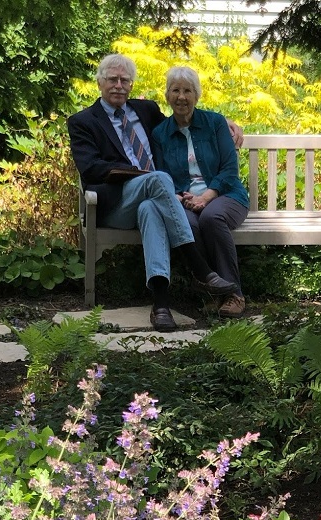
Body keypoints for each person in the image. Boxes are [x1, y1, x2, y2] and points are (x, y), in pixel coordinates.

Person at [68, 54, 243, 332]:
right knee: (158, 178)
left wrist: (227, 123)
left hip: (153, 199)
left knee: (151, 207)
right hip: (118, 203)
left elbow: (183, 117)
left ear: (131, 85)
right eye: (112, 79)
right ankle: (199, 268)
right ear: (100, 82)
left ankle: (161, 306)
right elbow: (89, 169)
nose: (118, 85)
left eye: (124, 80)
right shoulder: (83, 121)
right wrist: (134, 174)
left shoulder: (145, 110)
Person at [152, 66, 249, 318]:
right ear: (167, 96)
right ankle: (212, 294)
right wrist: (179, 195)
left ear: (197, 95)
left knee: (211, 217)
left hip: (225, 195)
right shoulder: (160, 133)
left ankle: (234, 293)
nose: (181, 97)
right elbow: (163, 174)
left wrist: (206, 196)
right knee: (187, 225)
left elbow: (229, 169)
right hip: (186, 201)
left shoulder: (215, 123)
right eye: (175, 90)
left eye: (187, 91)